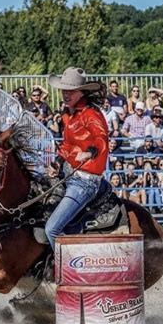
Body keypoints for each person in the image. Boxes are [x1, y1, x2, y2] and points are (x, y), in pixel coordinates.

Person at [45, 67, 109, 250]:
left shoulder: (91, 114)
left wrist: (89, 152)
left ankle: (72, 272)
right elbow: (66, 145)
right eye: (64, 90)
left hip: (85, 181)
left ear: (82, 92)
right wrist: (57, 163)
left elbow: (101, 138)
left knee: (52, 229)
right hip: (69, 173)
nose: (66, 94)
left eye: (71, 90)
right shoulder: (68, 115)